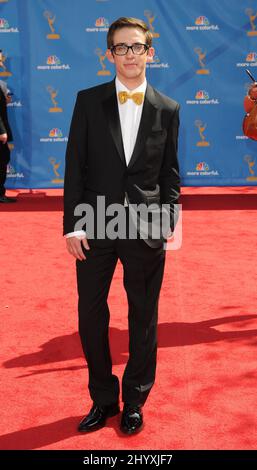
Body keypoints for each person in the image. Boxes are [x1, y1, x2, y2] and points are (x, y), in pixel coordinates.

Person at [63, 17, 180, 435]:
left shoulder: (168, 109)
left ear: (151, 52)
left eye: (137, 47)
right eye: (121, 47)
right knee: (91, 314)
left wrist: (168, 216)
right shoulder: (87, 101)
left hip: (146, 225)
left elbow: (170, 173)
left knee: (143, 316)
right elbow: (74, 165)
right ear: (109, 55)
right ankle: (102, 398)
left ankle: (134, 399)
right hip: (94, 223)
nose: (130, 55)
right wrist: (74, 225)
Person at [0, 64, 16, 203]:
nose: (2, 64)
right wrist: (2, 131)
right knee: (2, 160)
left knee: (4, 159)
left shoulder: (2, 84)